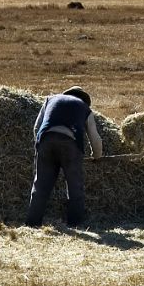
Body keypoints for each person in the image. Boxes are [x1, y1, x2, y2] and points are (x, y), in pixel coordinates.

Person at [26, 86, 103, 228]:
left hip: (46, 140)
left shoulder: (50, 100)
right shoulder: (85, 108)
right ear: (84, 100)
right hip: (70, 144)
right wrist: (97, 156)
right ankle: (75, 225)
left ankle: (32, 224)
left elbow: (37, 127)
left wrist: (41, 146)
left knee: (41, 185)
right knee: (75, 187)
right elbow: (95, 138)